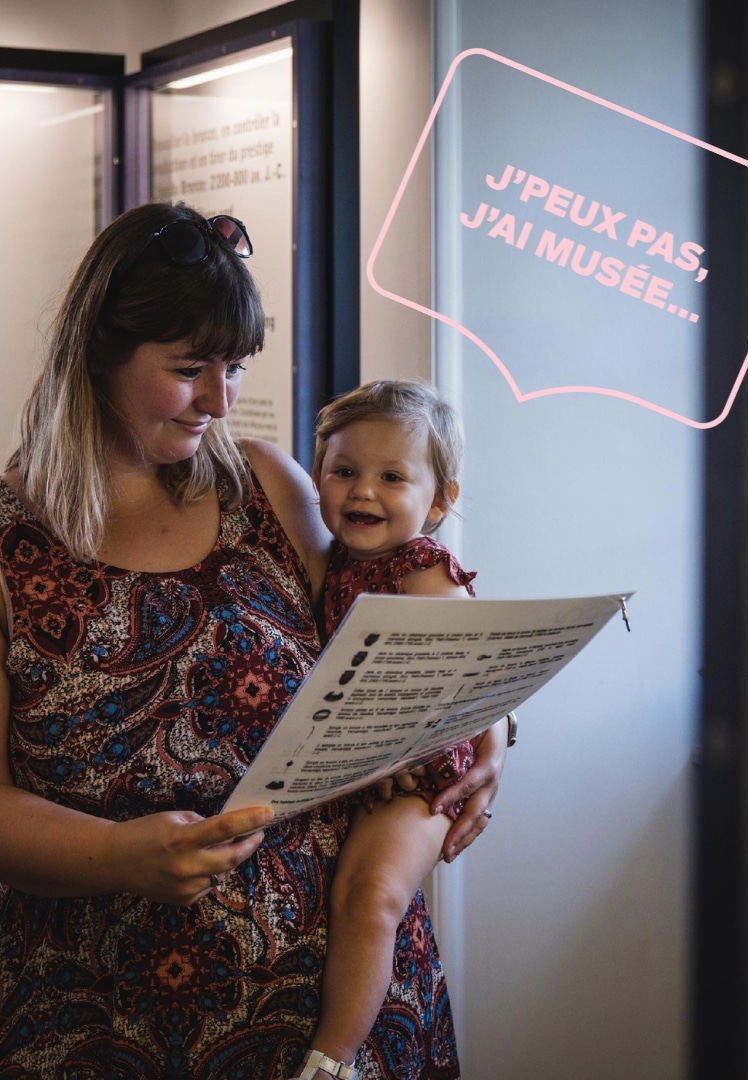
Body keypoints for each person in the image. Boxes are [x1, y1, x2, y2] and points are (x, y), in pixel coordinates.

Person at [0, 202, 506, 1080]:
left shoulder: (269, 487)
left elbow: (397, 631)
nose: (220, 399)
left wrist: (492, 730)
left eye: (236, 367)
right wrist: (113, 854)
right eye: (188, 369)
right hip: (105, 1019)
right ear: (97, 356)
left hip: (351, 1015)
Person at [289, 381, 485, 1080]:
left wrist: (484, 749)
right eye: (344, 472)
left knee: (370, 898)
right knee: (348, 895)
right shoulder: (334, 564)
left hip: (422, 781)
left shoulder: (421, 568)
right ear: (318, 478)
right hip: (363, 774)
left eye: (391, 477)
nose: (361, 491)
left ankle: (331, 1061)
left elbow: (478, 671)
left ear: (438, 500)